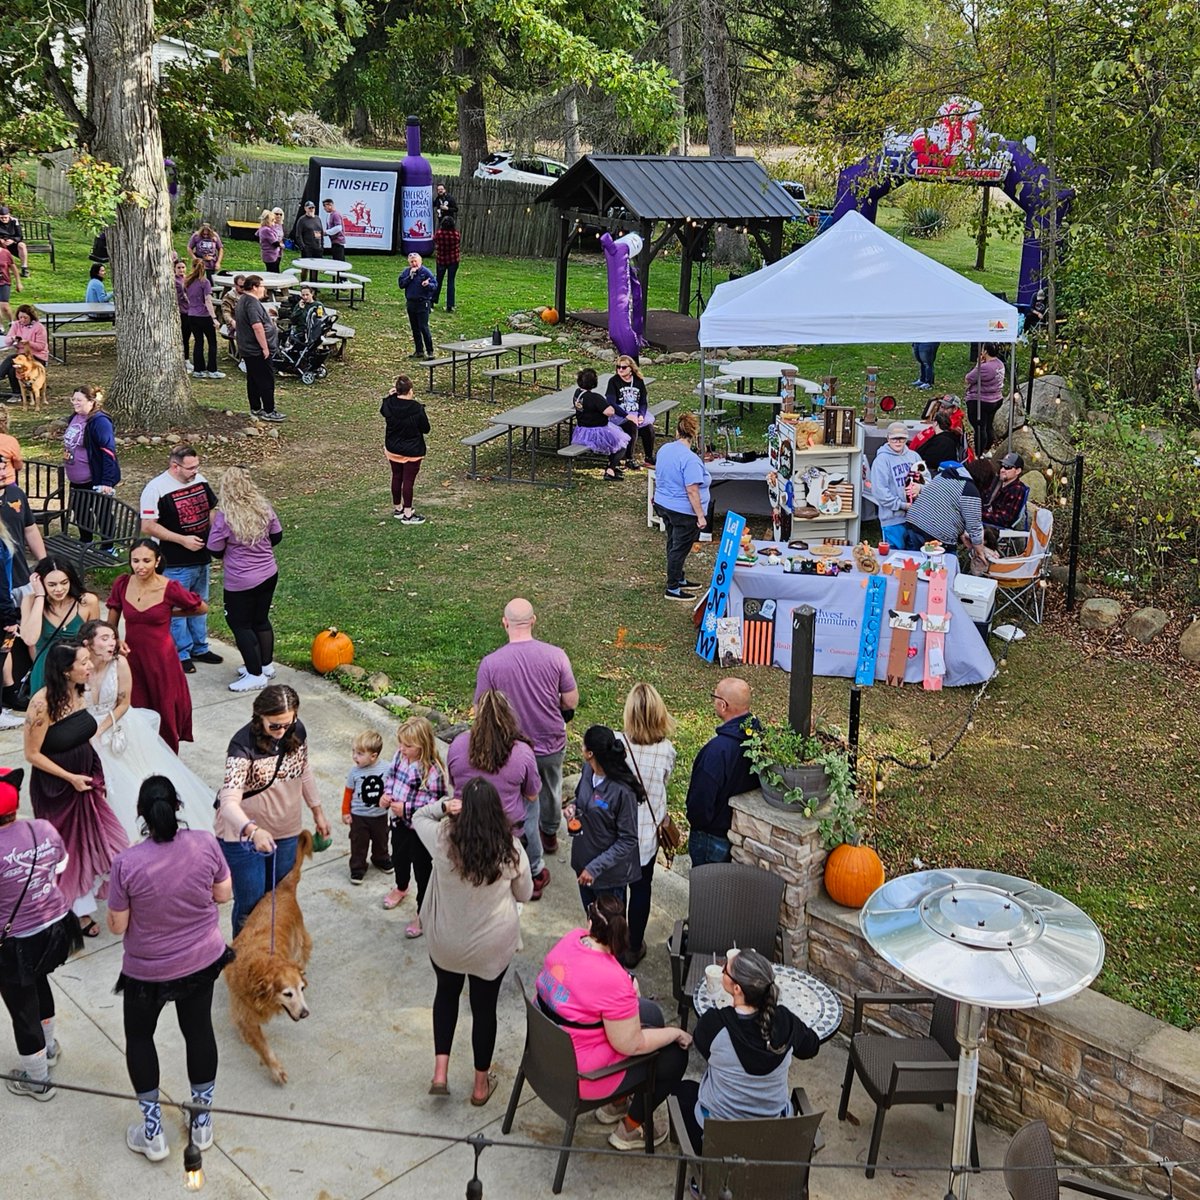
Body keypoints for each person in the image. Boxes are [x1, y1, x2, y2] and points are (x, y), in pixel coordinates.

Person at [107, 776, 233, 1162]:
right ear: (177, 808)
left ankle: (153, 1133)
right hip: (201, 960)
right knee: (198, 1032)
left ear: (141, 814)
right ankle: (202, 1121)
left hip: (147, 971)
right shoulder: (205, 844)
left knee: (141, 1039)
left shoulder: (126, 862)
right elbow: (223, 894)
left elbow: (117, 925)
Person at [536, 895, 691, 1150]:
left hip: (548, 1052)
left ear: (589, 923)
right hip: (581, 1075)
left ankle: (617, 1104)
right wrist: (675, 1033)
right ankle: (630, 1128)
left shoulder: (571, 940)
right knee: (675, 1056)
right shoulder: (614, 980)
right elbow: (632, 1045)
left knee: (650, 1014)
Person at [415, 777, 532, 1104]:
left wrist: (442, 806)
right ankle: (480, 1086)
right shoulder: (510, 849)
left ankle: (440, 1073)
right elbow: (525, 892)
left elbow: (417, 817)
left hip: (446, 941)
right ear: (497, 811)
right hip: (490, 947)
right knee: (484, 1010)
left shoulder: (442, 839)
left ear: (462, 809)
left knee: (446, 995)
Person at [24, 642, 128, 936]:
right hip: (57, 788)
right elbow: (32, 754)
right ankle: (76, 910)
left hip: (87, 780)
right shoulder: (42, 704)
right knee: (69, 848)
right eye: (83, 663)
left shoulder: (79, 691)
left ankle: (93, 892)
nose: (89, 666)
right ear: (65, 671)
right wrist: (70, 777)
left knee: (103, 838)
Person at [671, 949, 820, 1154]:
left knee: (682, 1091)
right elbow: (811, 1047)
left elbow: (704, 1049)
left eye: (725, 970)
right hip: (770, 1141)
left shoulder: (714, 1024)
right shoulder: (785, 1021)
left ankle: (704, 1175)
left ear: (737, 989)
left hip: (717, 1141)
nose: (722, 970)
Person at [80, 618, 215, 840]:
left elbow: (124, 703)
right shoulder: (78, 665)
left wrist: (100, 729)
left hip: (117, 723)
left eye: (113, 637)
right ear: (88, 644)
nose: (111, 643)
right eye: (104, 639)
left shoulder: (119, 663)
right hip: (85, 725)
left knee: (136, 777)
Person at [215, 684, 331, 935]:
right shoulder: (241, 745)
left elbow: (304, 770)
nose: (281, 731)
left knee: (279, 898)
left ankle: (274, 953)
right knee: (250, 905)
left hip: (286, 831)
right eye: (274, 725)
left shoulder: (297, 732)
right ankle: (244, 961)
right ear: (260, 717)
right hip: (243, 838)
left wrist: (317, 811)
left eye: (286, 724)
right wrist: (253, 830)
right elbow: (228, 803)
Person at [0, 766, 81, 1101]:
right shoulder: (43, 828)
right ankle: (49, 1048)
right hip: (55, 927)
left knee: (21, 1007)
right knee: (40, 981)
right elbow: (60, 867)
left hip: (15, 941)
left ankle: (37, 1081)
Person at [475, 598, 578, 861]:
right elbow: (570, 700)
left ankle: (523, 845)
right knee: (551, 788)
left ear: (504, 623)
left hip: (509, 746)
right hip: (550, 743)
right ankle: (550, 834)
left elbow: (481, 708)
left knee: (519, 796)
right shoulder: (556, 655)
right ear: (533, 621)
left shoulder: (491, 663)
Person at [445, 688, 547, 898]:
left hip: (465, 823)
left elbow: (453, 783)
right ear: (509, 717)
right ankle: (534, 866)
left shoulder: (457, 745)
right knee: (533, 802)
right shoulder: (522, 752)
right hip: (505, 830)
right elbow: (532, 795)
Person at [106, 538, 205, 753]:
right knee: (135, 706)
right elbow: (111, 619)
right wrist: (115, 640)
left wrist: (172, 613)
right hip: (133, 658)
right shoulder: (122, 584)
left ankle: (167, 755)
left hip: (162, 660)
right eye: (135, 560)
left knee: (164, 708)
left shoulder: (169, 588)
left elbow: (201, 607)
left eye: (146, 560)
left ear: (157, 561)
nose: (140, 566)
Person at [139, 444, 222, 675]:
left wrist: (218, 536)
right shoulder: (155, 489)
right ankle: (181, 652)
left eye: (197, 466)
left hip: (202, 556)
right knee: (177, 608)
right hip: (175, 561)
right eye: (190, 468)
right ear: (175, 466)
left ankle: (200, 647)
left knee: (199, 603)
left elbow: (210, 511)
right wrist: (182, 540)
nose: (195, 471)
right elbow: (148, 526)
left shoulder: (200, 480)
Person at [616, 683, 676, 966]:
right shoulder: (667, 751)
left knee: (615, 891)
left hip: (616, 835)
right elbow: (662, 784)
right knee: (641, 890)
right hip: (645, 839)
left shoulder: (616, 746)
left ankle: (614, 941)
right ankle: (633, 946)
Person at [206, 466, 282, 691]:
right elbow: (276, 536)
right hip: (268, 573)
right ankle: (265, 665)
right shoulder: (264, 508)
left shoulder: (224, 517)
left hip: (241, 581)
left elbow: (215, 548)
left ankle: (255, 673)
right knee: (261, 620)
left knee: (240, 624)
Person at [381, 716, 447, 936]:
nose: (402, 748)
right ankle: (401, 886)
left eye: (408, 746)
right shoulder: (400, 757)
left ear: (423, 744)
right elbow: (390, 777)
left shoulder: (433, 771)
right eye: (401, 743)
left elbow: (435, 803)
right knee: (398, 858)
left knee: (422, 870)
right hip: (398, 823)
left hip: (419, 831)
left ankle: (423, 911)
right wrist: (386, 794)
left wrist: (407, 808)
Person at [566, 724, 641, 911]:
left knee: (610, 934)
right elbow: (582, 798)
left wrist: (595, 868)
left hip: (609, 879)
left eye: (583, 746)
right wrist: (572, 807)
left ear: (590, 753)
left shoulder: (623, 792)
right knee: (592, 923)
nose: (581, 748)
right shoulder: (587, 771)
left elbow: (628, 840)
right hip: (583, 866)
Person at [685, 678, 760, 866]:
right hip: (739, 835)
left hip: (711, 838)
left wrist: (698, 824)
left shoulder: (716, 752)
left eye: (714, 697)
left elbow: (700, 801)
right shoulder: (760, 739)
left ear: (723, 705)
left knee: (705, 893)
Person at [19, 557, 100, 696]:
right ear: (41, 582)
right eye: (51, 584)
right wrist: (39, 596)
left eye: (64, 583)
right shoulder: (30, 601)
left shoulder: (87, 601)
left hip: (76, 670)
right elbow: (29, 639)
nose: (59, 589)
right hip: (44, 670)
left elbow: (93, 641)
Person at [652, 411, 710, 600]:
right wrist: (701, 516)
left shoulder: (664, 449)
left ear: (677, 432)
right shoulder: (690, 459)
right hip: (683, 510)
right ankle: (673, 587)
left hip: (663, 503)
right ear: (694, 435)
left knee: (673, 541)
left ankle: (678, 576)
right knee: (680, 548)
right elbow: (692, 490)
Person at [63, 384, 120, 551]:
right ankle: (85, 541)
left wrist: (106, 482)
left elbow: (108, 452)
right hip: (76, 478)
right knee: (80, 511)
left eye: (79, 400)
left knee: (101, 512)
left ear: (91, 402)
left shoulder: (100, 422)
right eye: (73, 399)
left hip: (95, 478)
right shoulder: (75, 417)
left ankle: (108, 547)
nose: (75, 402)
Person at [904, 458, 996, 554]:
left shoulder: (945, 475)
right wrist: (980, 553)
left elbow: (946, 508)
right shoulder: (970, 491)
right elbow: (975, 528)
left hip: (913, 524)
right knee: (944, 565)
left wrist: (961, 534)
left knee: (913, 563)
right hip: (936, 536)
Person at [340, 728, 391, 884]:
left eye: (360, 754)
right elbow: (348, 792)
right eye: (354, 752)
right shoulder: (354, 772)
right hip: (359, 816)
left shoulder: (387, 768)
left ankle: (380, 858)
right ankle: (357, 868)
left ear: (373, 756)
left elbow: (391, 786)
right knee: (358, 843)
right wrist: (345, 811)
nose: (355, 756)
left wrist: (389, 797)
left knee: (381, 839)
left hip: (380, 814)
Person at [380, 374, 430, 525]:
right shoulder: (416, 408)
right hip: (412, 450)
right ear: (410, 391)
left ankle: (398, 508)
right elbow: (426, 429)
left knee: (396, 476)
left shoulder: (389, 405)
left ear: (397, 390)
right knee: (408, 481)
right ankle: (408, 514)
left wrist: (389, 397)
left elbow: (383, 410)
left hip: (393, 448)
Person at [235, 275, 285, 421]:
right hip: (256, 349)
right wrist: (265, 348)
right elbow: (257, 327)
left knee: (253, 379)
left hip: (247, 348)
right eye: (262, 286)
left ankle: (256, 407)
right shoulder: (251, 303)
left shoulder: (243, 300)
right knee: (266, 379)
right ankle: (269, 410)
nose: (264, 289)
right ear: (255, 287)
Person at [869, 421, 925, 546]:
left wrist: (920, 488)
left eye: (901, 439)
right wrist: (902, 505)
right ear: (888, 438)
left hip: (915, 517)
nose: (898, 442)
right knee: (894, 556)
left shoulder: (914, 456)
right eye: (894, 439)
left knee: (914, 555)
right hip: (892, 519)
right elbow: (880, 492)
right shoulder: (881, 460)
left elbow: (927, 480)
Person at [571, 367, 629, 482]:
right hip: (597, 431)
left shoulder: (578, 393)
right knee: (621, 444)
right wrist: (612, 406)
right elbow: (609, 412)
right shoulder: (595, 398)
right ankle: (610, 470)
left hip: (582, 430)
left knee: (615, 443)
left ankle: (612, 465)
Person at [607, 357, 654, 471]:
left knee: (649, 428)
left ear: (631, 368)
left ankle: (649, 456)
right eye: (618, 367)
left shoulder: (638, 381)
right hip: (619, 415)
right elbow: (611, 402)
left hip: (635, 412)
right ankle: (629, 459)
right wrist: (626, 415)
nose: (620, 370)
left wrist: (641, 415)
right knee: (631, 426)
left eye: (623, 367)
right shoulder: (613, 381)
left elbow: (643, 402)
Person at [183, 256, 224, 380]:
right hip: (204, 315)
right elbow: (208, 300)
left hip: (192, 314)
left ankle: (198, 369)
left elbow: (186, 296)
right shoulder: (205, 282)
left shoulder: (187, 281)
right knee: (212, 342)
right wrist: (214, 317)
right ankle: (212, 369)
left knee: (198, 341)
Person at [2, 305, 49, 403]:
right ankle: (17, 393)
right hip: (21, 356)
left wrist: (28, 343)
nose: (22, 320)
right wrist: (13, 338)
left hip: (36, 356)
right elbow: (7, 340)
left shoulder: (39, 327)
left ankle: (14, 389)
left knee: (12, 359)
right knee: (13, 367)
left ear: (31, 317)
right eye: (20, 317)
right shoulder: (16, 325)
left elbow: (41, 346)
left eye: (25, 318)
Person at [965, 342, 1005, 453]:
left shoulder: (985, 368)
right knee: (988, 426)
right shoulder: (1000, 364)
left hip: (981, 401)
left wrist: (978, 365)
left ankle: (979, 453)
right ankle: (987, 449)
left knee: (980, 428)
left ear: (985, 351)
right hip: (996, 399)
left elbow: (968, 378)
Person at [398, 252, 436, 358]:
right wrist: (410, 277)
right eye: (412, 262)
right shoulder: (406, 272)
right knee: (415, 328)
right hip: (411, 303)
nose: (414, 264)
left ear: (420, 262)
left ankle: (430, 351)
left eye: (416, 261)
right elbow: (401, 284)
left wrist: (428, 285)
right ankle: (419, 351)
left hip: (423, 303)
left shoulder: (426, 272)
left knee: (423, 327)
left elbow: (434, 286)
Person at [982, 451, 1030, 530]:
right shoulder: (998, 482)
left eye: (1007, 467)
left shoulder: (1017, 489)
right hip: (987, 521)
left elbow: (1006, 519)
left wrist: (979, 515)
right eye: (1002, 466)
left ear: (1018, 471)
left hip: (996, 528)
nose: (1002, 470)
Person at [914, 409, 964, 475]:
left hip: (932, 473)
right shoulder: (948, 438)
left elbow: (930, 461)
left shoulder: (941, 442)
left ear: (936, 423)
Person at [433, 216, 460, 313]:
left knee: (438, 281)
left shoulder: (439, 234)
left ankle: (433, 301)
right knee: (451, 282)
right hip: (453, 260)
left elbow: (435, 240)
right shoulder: (455, 235)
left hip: (441, 260)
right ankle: (450, 305)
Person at [293, 200, 325, 265]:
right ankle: (304, 275)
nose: (311, 209)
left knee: (316, 266)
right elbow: (298, 235)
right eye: (309, 208)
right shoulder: (302, 220)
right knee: (306, 266)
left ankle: (314, 275)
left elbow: (321, 232)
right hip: (307, 248)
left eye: (313, 208)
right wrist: (303, 247)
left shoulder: (317, 218)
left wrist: (322, 245)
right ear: (305, 208)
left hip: (317, 248)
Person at [0, 205, 29, 276]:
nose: (4, 219)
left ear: (9, 215)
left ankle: (24, 268)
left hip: (13, 242)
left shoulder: (14, 221)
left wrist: (13, 240)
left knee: (22, 245)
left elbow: (20, 236)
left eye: (5, 217)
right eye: (1, 218)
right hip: (1, 243)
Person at [173, 259, 191, 369]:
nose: (181, 270)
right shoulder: (174, 280)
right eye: (179, 268)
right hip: (180, 311)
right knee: (181, 336)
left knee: (186, 336)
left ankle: (186, 359)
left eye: (183, 267)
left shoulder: (188, 279)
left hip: (189, 310)